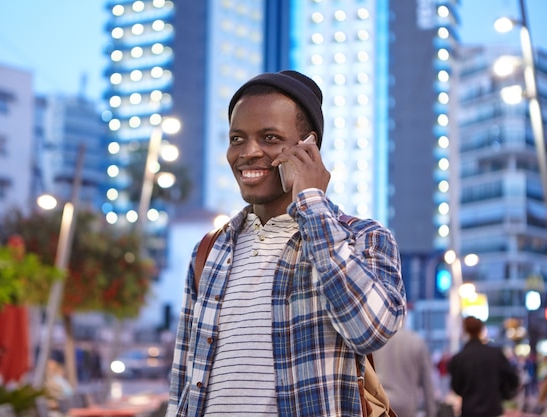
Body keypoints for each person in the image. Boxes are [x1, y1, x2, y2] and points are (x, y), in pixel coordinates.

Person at [166, 70, 407, 417]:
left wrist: (311, 202)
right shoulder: (210, 249)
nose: (248, 152)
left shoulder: (362, 238)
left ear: (307, 146)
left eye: (269, 137)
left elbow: (370, 330)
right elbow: (183, 381)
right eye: (237, 138)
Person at [448, 316, 520, 417]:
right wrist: (501, 394)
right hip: (493, 410)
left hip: (469, 411)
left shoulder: (459, 359)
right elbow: (513, 379)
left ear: (464, 330)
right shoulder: (496, 354)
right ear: (481, 330)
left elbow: (456, 387)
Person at [373, 321, 437, 417]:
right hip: (407, 406)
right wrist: (431, 412)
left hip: (382, 404)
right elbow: (427, 383)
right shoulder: (416, 342)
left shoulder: (376, 342)